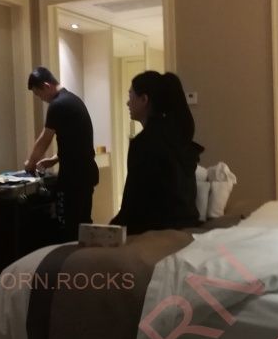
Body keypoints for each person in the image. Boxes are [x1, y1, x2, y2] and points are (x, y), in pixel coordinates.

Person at [111, 70, 203, 234]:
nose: (127, 102)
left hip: (156, 230)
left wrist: (109, 229)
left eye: (131, 95)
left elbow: (132, 204)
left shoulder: (144, 143)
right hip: (188, 224)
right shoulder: (177, 136)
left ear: (144, 100)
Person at [25, 67, 99, 241]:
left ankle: (70, 258)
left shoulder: (57, 105)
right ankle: (84, 256)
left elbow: (44, 139)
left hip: (73, 178)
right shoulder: (73, 100)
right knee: (83, 225)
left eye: (39, 94)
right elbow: (77, 142)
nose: (41, 99)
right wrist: (54, 159)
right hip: (86, 173)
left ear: (46, 86)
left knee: (69, 228)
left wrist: (30, 163)